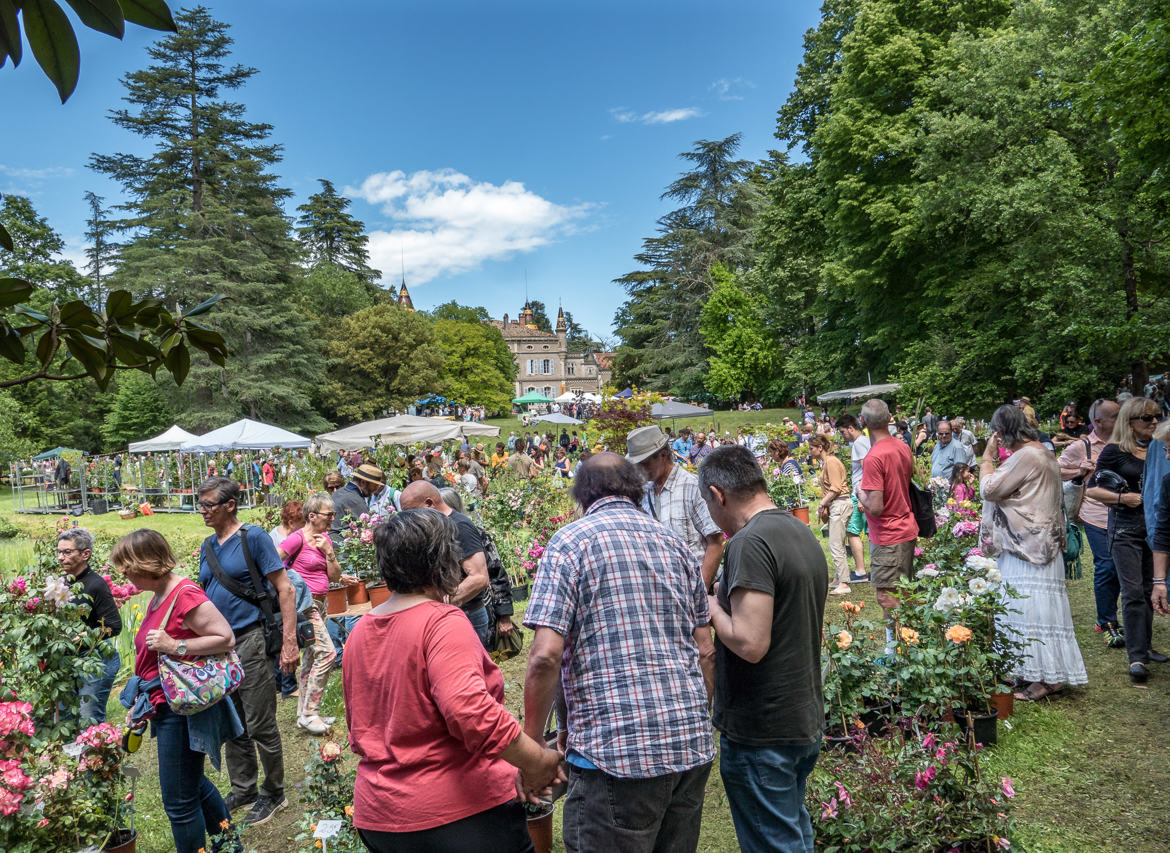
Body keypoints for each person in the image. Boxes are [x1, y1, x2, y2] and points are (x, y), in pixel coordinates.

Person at [523, 453, 715, 853]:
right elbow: (705, 651)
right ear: (634, 488)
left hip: (614, 757)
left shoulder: (571, 542)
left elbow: (545, 657)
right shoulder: (675, 546)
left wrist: (530, 746)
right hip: (689, 746)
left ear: (582, 495)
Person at [342, 509, 563, 852]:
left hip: (382, 815)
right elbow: (470, 712)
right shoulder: (442, 622)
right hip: (459, 815)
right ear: (443, 561)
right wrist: (539, 760)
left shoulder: (361, 630)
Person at [699, 445, 827, 853]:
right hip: (799, 715)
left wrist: (707, 604)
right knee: (793, 834)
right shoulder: (798, 530)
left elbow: (751, 643)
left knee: (774, 843)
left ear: (718, 495)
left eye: (708, 504)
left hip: (763, 727)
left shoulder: (750, 542)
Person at [112, 529, 242, 853]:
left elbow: (225, 637)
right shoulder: (159, 595)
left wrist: (175, 645)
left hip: (182, 712)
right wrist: (143, 704)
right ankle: (231, 846)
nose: (124, 574)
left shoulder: (183, 593)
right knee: (193, 785)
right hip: (164, 705)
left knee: (179, 803)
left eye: (127, 566)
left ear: (147, 563)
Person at [196, 477, 297, 826]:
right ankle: (244, 787)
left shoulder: (252, 538)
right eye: (201, 503)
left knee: (259, 722)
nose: (202, 510)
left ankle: (274, 792)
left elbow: (285, 589)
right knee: (232, 721)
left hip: (251, 638)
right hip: (217, 646)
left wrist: (289, 641)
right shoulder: (207, 546)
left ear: (230, 505)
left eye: (209, 504)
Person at [981, 405, 1088, 699]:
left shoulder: (1027, 455)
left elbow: (990, 488)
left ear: (1001, 432)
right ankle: (1030, 672)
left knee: (1029, 610)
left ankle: (1046, 679)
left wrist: (987, 457)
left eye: (996, 433)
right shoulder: (1042, 451)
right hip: (1039, 540)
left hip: (1028, 543)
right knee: (1028, 611)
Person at [1086, 396, 1165, 683]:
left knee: (1149, 591)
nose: (1154, 421)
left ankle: (1145, 645)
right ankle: (1137, 658)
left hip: (1154, 531)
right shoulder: (1114, 452)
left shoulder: (1160, 450)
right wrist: (1124, 498)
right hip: (1125, 531)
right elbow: (1092, 490)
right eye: (1147, 417)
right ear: (1130, 422)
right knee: (1132, 593)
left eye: (1157, 416)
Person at [627, 425, 725, 589]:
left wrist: (700, 592)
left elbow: (716, 542)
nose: (639, 470)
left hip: (697, 588)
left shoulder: (692, 486)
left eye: (643, 463)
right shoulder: (645, 491)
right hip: (666, 590)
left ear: (663, 455)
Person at [1058, 398, 1124, 645]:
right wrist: (1078, 471)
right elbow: (1055, 469)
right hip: (1095, 515)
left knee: (1122, 569)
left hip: (1127, 515)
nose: (1122, 421)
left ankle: (1118, 617)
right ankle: (1107, 621)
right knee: (1106, 566)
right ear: (1098, 421)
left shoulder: (1127, 443)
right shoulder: (1082, 446)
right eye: (1116, 417)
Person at [276, 493, 342, 735]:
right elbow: (272, 565)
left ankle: (303, 714)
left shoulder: (325, 539)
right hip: (305, 606)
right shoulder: (296, 540)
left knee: (311, 660)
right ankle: (310, 713)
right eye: (329, 514)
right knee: (327, 654)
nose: (333, 519)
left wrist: (329, 553)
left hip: (322, 603)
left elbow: (334, 576)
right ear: (312, 516)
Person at [399, 481, 493, 646]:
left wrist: (440, 605)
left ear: (429, 503)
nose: (409, 519)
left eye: (411, 511)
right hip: (448, 616)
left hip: (468, 615)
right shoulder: (432, 527)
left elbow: (479, 578)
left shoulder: (460, 526)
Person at [857, 399, 918, 629]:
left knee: (888, 598)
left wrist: (860, 494)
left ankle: (897, 652)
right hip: (905, 527)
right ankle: (902, 649)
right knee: (901, 593)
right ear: (890, 417)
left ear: (862, 421)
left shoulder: (874, 457)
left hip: (888, 535)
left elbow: (875, 507)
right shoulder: (902, 447)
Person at [59, 528, 122, 723]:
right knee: (64, 715)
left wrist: (86, 635)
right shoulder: (61, 583)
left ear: (85, 554)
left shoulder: (95, 585)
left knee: (88, 717)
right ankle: (71, 754)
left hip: (98, 660)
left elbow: (114, 625)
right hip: (70, 660)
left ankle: (95, 752)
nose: (61, 557)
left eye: (67, 552)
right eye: (59, 552)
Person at [810, 435, 852, 596]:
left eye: (811, 448)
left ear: (820, 447)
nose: (810, 451)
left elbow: (835, 488)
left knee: (835, 544)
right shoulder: (827, 462)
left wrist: (822, 504)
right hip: (837, 504)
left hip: (840, 504)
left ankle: (844, 582)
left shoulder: (831, 462)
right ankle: (838, 578)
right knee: (837, 542)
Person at [835, 413, 870, 584]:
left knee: (852, 531)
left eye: (843, 432)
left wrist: (862, 497)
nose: (843, 436)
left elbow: (866, 469)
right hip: (868, 493)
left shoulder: (859, 443)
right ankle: (875, 570)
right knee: (871, 532)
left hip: (862, 493)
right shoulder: (867, 441)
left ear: (850, 428)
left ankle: (861, 571)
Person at [331, 463, 385, 547]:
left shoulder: (339, 492)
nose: (376, 489)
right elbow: (367, 529)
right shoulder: (355, 500)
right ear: (363, 482)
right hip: (341, 550)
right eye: (374, 485)